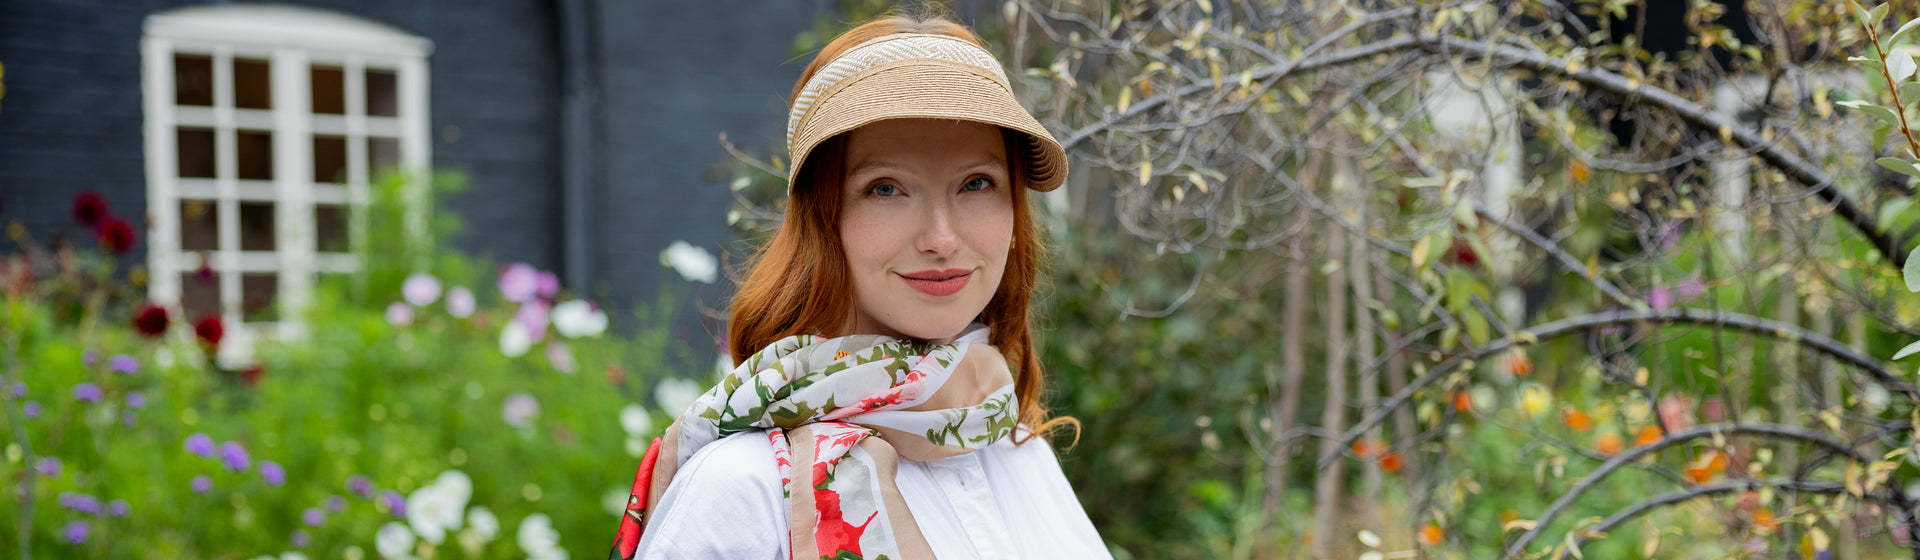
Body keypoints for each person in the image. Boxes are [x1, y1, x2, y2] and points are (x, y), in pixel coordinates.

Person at [609, 12, 1110, 560]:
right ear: (825, 222)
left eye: (977, 183)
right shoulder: (741, 487)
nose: (941, 238)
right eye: (886, 189)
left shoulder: (1011, 449)